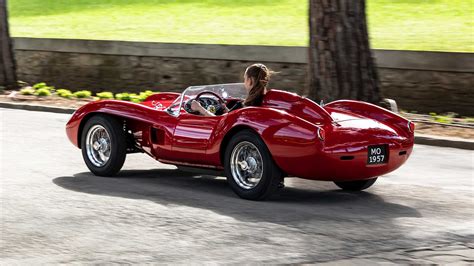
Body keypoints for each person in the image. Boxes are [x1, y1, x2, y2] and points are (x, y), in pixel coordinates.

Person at [190, 63, 274, 116]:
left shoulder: (246, 105)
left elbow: (219, 123)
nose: (244, 82)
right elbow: (231, 118)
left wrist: (199, 108)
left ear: (249, 81)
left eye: (245, 79)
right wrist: (227, 111)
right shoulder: (265, 100)